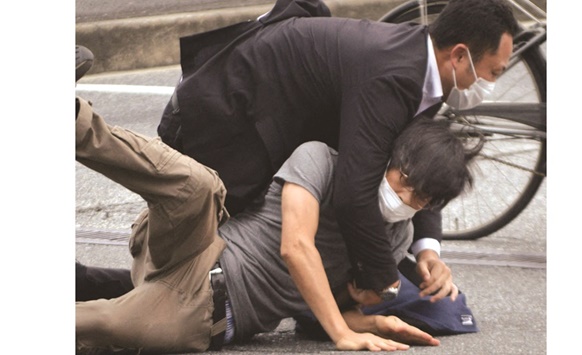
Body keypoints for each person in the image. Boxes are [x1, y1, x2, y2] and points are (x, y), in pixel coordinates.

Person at [156, 0, 520, 299]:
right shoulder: (394, 76)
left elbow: (418, 159)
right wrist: (386, 284)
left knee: (196, 282)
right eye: (493, 72)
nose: (489, 84)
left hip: (252, 120)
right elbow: (353, 195)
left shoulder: (420, 66)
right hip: (212, 118)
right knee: (184, 273)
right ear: (459, 56)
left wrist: (427, 249)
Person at [75, 94, 481, 352]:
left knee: (98, 325)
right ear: (389, 159)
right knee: (198, 185)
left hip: (203, 312)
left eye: (422, 199)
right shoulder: (320, 160)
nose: (405, 199)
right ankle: (73, 120)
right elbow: (295, 246)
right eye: (404, 181)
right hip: (194, 246)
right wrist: (343, 331)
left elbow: (313, 315)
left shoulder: (395, 238)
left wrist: (369, 315)